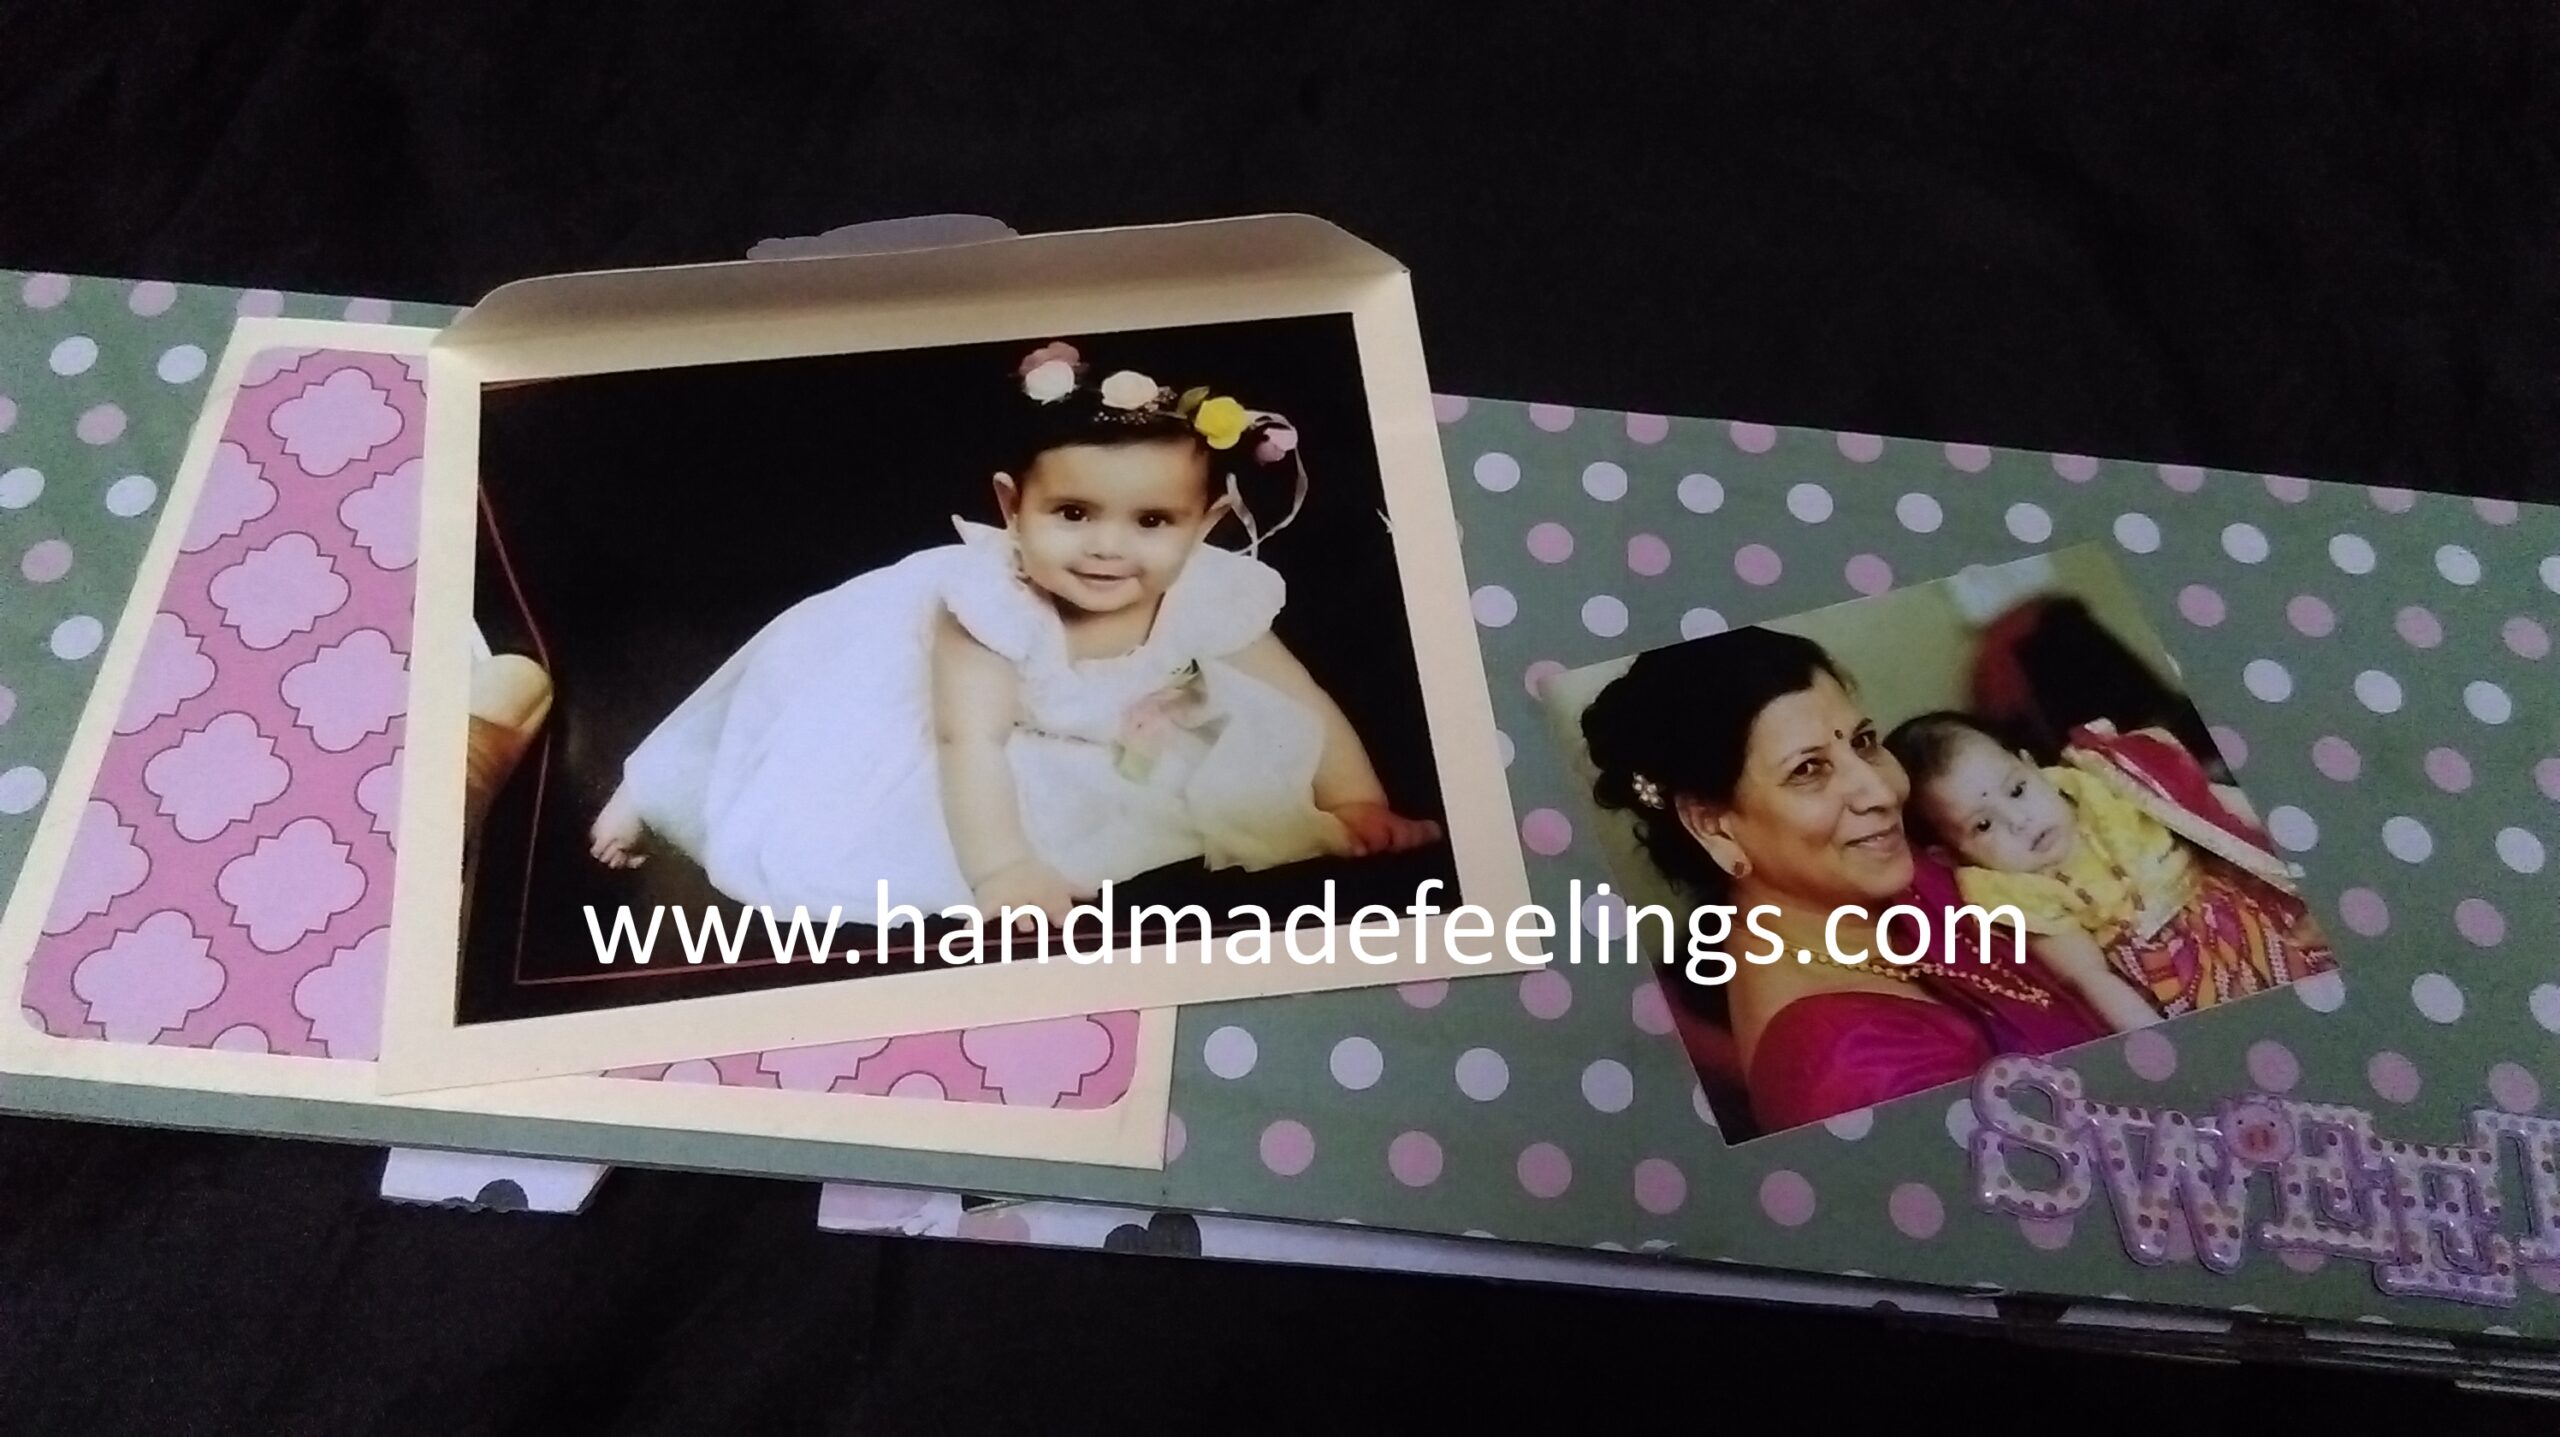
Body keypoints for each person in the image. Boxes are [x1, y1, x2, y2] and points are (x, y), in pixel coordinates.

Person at [584, 339, 1440, 927]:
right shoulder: (990, 609)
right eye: (1073, 513)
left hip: (1104, 721)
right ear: (1012, 508)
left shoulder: (1205, 594)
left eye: (1151, 520)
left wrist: (1356, 801)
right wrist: (1005, 871)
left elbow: (1300, 694)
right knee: (802, 773)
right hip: (935, 702)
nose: (1107, 546)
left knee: (1234, 756)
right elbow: (969, 743)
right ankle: (656, 787)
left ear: (1206, 523)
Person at [1578, 626, 2113, 1136]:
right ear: (1713, 825)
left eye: (1864, 742)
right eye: (1808, 770)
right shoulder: (1853, 1077)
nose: (1882, 791)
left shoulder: (1873, 875)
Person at [1886, 710, 2333, 1022]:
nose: (2019, 821)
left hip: (2251, 907)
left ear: (2031, 765)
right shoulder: (2015, 892)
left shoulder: (2104, 779)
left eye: (2017, 790)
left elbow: (2209, 803)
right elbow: (2090, 978)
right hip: (2184, 987)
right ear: (1948, 855)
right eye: (1983, 825)